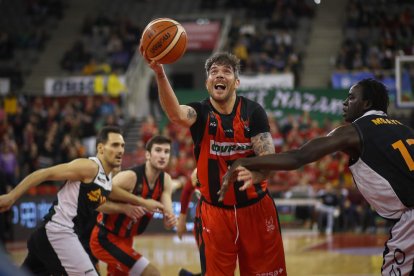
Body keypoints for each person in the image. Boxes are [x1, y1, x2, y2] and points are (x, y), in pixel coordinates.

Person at [221, 78, 414, 276]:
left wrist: (246, 162)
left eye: (351, 97)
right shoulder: (405, 129)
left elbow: (299, 157)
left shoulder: (354, 131)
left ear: (366, 103)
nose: (344, 103)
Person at [141, 50, 286, 275]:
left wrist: (258, 175)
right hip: (216, 214)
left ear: (236, 82)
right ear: (208, 82)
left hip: (256, 209)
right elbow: (176, 114)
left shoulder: (253, 111)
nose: (219, 75)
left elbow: (269, 157)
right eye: (213, 72)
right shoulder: (200, 113)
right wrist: (160, 74)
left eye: (226, 71)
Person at [0, 126, 164, 275]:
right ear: (101, 148)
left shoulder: (105, 180)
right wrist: (12, 196)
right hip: (58, 232)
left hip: (47, 236)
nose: (120, 150)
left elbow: (105, 199)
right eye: (114, 145)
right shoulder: (89, 167)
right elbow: (45, 173)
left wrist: (132, 206)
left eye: (122, 145)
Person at [90, 135, 177, 276]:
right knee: (152, 273)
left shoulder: (165, 180)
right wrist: (124, 208)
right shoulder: (130, 177)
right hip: (105, 238)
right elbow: (94, 200)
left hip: (126, 240)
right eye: (158, 150)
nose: (162, 155)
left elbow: (168, 219)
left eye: (166, 152)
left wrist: (170, 220)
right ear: (148, 155)